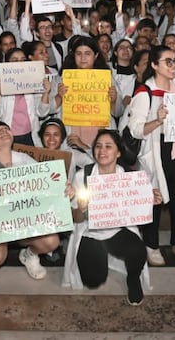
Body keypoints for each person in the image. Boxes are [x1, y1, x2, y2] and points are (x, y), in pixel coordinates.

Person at [63, 129, 161, 305]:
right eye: (98, 146)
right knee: (93, 280)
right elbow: (75, 218)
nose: (102, 151)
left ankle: (133, 279)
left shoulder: (128, 179)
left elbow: (136, 210)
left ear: (118, 152)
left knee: (138, 251)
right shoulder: (82, 176)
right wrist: (80, 208)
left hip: (117, 232)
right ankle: (100, 259)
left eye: (108, 146)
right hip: (90, 233)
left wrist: (149, 200)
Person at [128, 45, 175, 267]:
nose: (174, 65)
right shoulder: (144, 93)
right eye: (168, 61)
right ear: (154, 65)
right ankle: (151, 245)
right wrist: (157, 121)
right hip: (157, 152)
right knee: (154, 198)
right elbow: (135, 129)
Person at [0, 121, 61, 283]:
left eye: (6, 128)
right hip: (0, 229)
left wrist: (63, 189)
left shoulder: (26, 160)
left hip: (26, 223)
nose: (4, 131)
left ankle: (29, 256)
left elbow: (45, 189)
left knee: (52, 241)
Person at [0, 48, 55, 146]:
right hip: (8, 137)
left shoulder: (34, 84)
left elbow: (42, 113)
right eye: (15, 60)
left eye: (23, 60)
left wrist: (46, 93)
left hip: (30, 136)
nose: (20, 63)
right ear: (7, 64)